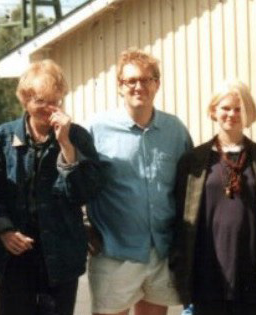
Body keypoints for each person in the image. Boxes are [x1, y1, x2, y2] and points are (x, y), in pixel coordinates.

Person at [0, 59, 102, 315]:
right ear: (25, 101)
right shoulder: (2, 138)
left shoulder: (77, 137)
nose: (50, 108)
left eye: (55, 100)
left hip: (60, 254)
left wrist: (66, 145)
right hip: (15, 255)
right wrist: (3, 231)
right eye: (41, 101)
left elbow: (86, 192)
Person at [86, 48, 192, 315]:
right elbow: (74, 182)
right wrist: (83, 225)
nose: (138, 87)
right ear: (119, 87)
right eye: (130, 81)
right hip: (114, 252)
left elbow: (189, 188)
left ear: (157, 84)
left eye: (146, 80)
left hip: (161, 253)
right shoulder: (96, 129)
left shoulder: (175, 130)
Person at [170, 81, 256, 315]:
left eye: (238, 108)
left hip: (253, 271)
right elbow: (179, 219)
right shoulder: (192, 160)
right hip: (207, 269)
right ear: (213, 111)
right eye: (225, 108)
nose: (231, 114)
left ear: (248, 113)